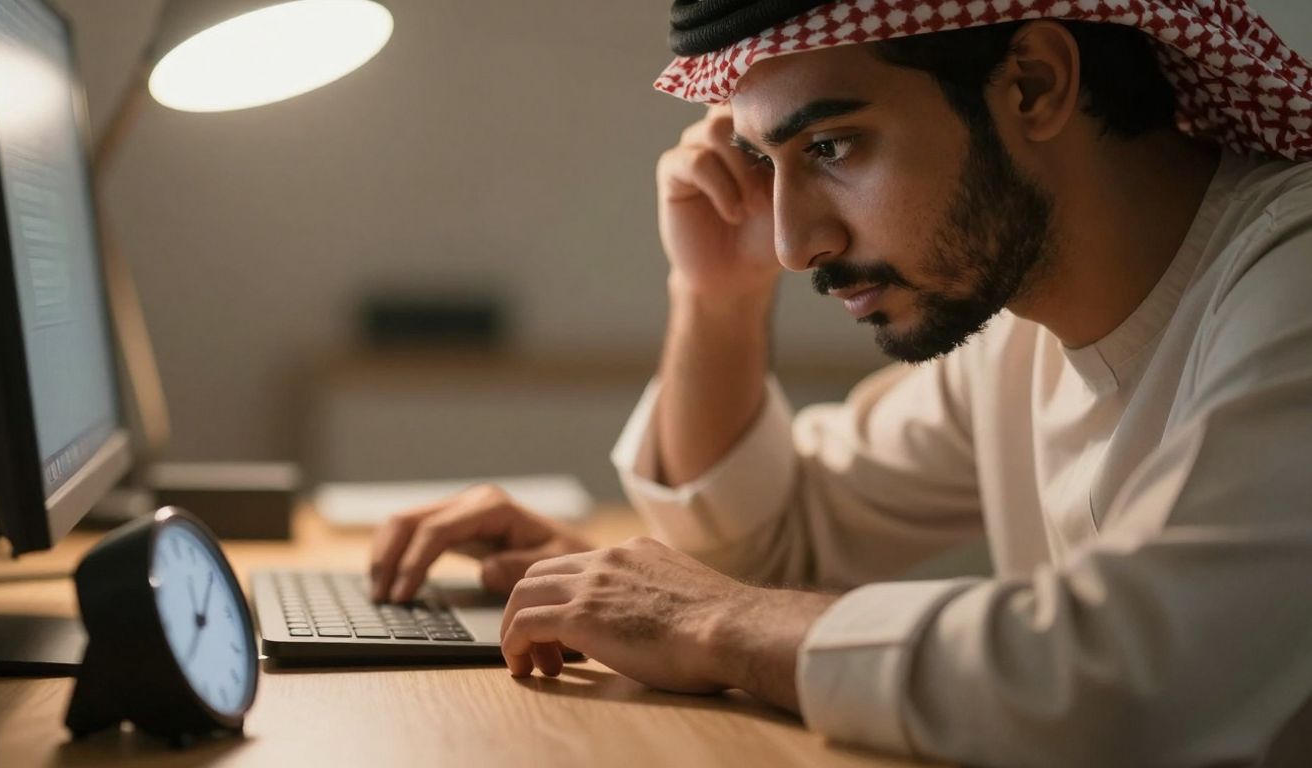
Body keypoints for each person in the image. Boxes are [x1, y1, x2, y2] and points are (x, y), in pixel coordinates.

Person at [368, 1, 1312, 764]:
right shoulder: (1017, 335)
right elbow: (776, 543)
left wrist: (712, 616)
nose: (791, 244)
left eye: (832, 148)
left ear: (1034, 83)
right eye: (762, 163)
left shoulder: (1293, 275)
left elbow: (1143, 685)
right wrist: (716, 296)